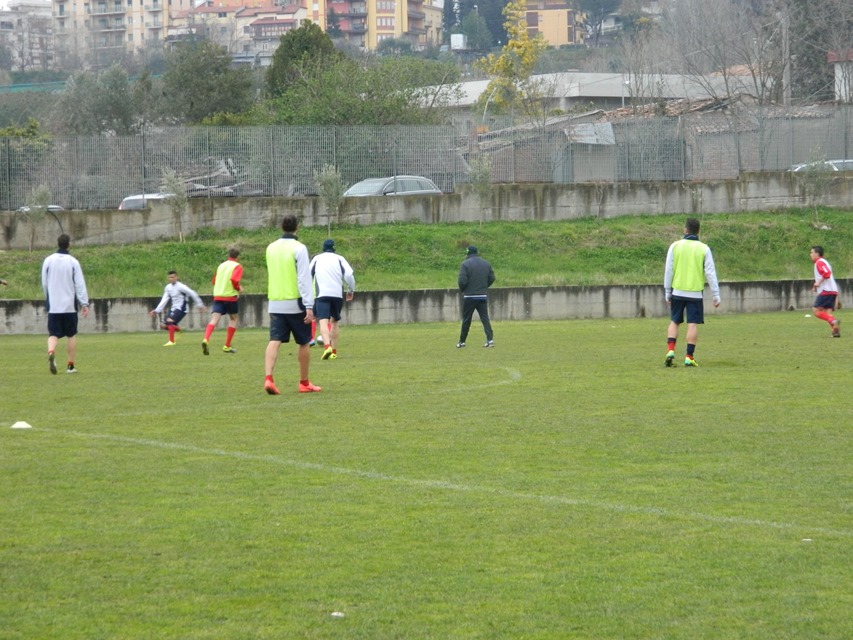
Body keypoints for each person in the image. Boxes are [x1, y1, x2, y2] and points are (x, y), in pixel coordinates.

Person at [263, 215, 321, 395]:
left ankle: (268, 378)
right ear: (298, 227)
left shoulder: (271, 248)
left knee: (275, 340)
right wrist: (309, 305)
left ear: (281, 227)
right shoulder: (299, 248)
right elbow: (304, 278)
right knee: (304, 342)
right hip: (295, 303)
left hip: (275, 301)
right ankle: (304, 383)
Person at [663, 217, 721, 367]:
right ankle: (689, 357)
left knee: (674, 321)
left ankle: (670, 350)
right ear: (698, 231)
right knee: (692, 324)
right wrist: (716, 294)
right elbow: (710, 273)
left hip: (677, 291)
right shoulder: (704, 248)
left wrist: (667, 291)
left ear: (685, 230)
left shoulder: (675, 246)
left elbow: (669, 270)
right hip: (695, 293)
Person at [41, 233, 89, 374]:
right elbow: (79, 284)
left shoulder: (48, 261)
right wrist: (84, 303)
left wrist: (48, 298)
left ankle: (51, 351)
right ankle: (70, 366)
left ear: (58, 243)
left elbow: (44, 283)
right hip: (69, 306)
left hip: (54, 306)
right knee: (71, 335)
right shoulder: (73, 262)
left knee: (53, 334)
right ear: (69, 244)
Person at [309, 239, 356, 360]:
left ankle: (327, 347)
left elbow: (308, 274)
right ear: (334, 248)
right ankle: (334, 352)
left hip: (322, 295)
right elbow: (349, 275)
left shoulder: (317, 258)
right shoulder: (340, 258)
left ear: (323, 248)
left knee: (323, 321)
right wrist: (351, 290)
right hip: (337, 295)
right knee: (334, 321)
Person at [148, 270, 207, 346]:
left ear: (176, 277)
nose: (171, 279)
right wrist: (156, 310)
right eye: (170, 277)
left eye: (173, 277)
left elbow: (192, 293)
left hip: (182, 308)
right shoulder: (168, 287)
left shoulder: (181, 286)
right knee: (163, 325)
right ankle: (178, 330)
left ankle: (171, 341)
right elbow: (164, 299)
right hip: (174, 308)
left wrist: (200, 305)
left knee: (169, 321)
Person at [202, 246, 243, 355]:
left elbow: (214, 281)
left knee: (214, 320)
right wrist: (239, 288)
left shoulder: (221, 266)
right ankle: (227, 346)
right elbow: (234, 280)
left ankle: (206, 339)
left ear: (228, 255)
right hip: (230, 297)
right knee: (233, 319)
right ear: (238, 257)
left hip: (218, 296)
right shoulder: (237, 266)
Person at [457, 245, 496, 348]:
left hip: (469, 296)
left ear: (468, 253)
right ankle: (490, 340)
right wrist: (484, 287)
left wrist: (463, 290)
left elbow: (462, 281)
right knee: (485, 318)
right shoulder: (486, 263)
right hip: (482, 295)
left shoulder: (465, 264)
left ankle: (462, 342)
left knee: (467, 319)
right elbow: (492, 278)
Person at [810, 245, 841, 337]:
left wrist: (818, 282)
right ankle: (835, 332)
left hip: (826, 291)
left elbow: (827, 273)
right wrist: (816, 285)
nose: (810, 254)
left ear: (817, 253)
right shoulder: (824, 262)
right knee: (827, 313)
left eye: (812, 252)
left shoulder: (819, 262)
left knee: (816, 311)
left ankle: (834, 321)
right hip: (832, 290)